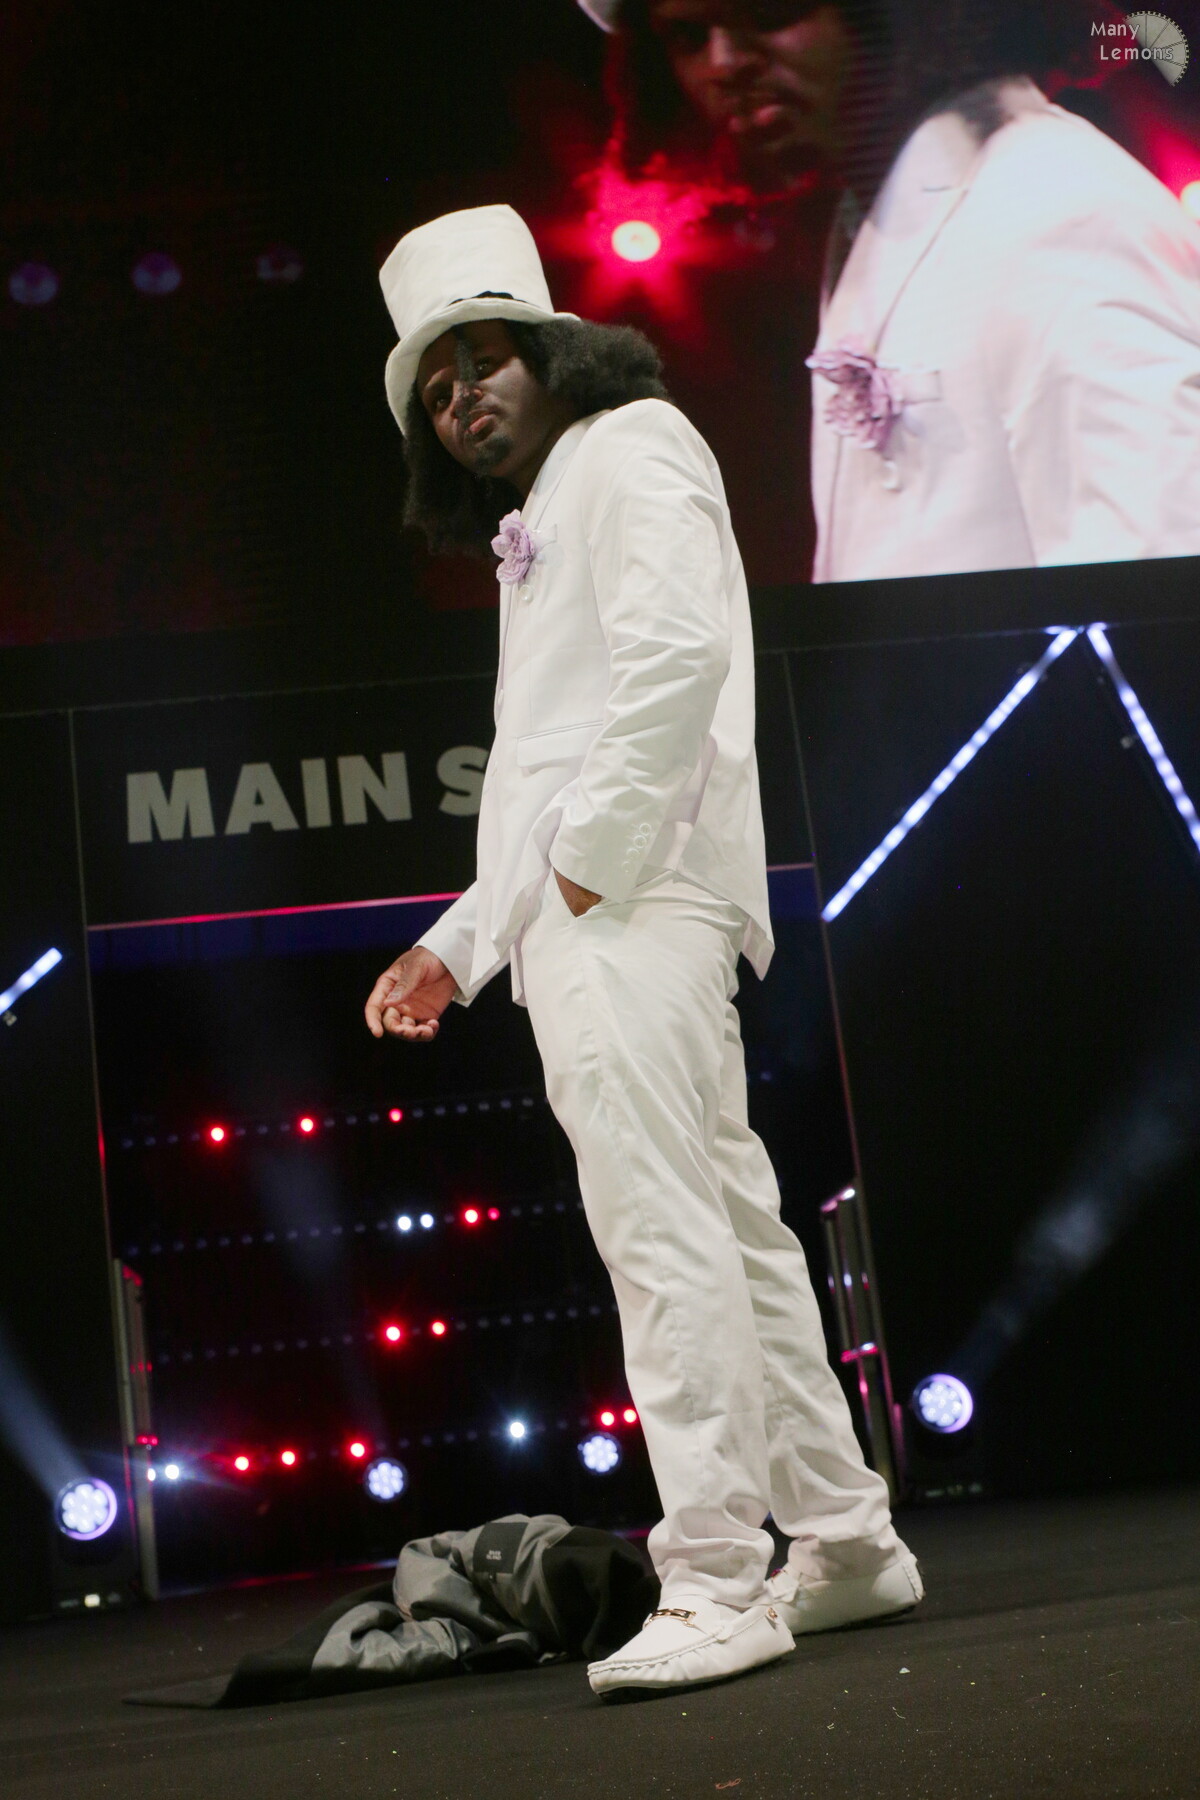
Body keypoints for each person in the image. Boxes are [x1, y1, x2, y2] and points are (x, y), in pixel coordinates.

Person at [364, 203, 921, 1697]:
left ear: (554, 354)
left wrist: (588, 876)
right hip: (612, 902)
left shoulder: (632, 447)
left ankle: (719, 1574)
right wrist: (464, 943)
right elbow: (548, 763)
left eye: (483, 361)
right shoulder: (560, 495)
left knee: (664, 1236)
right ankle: (847, 1540)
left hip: (630, 905)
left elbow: (678, 664)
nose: (461, 397)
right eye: (435, 387)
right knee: (725, 1229)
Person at [581, 0, 1200, 579]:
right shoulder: (877, 219)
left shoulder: (1053, 202)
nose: (724, 63)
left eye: (768, 9)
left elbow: (1156, 588)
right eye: (687, 36)